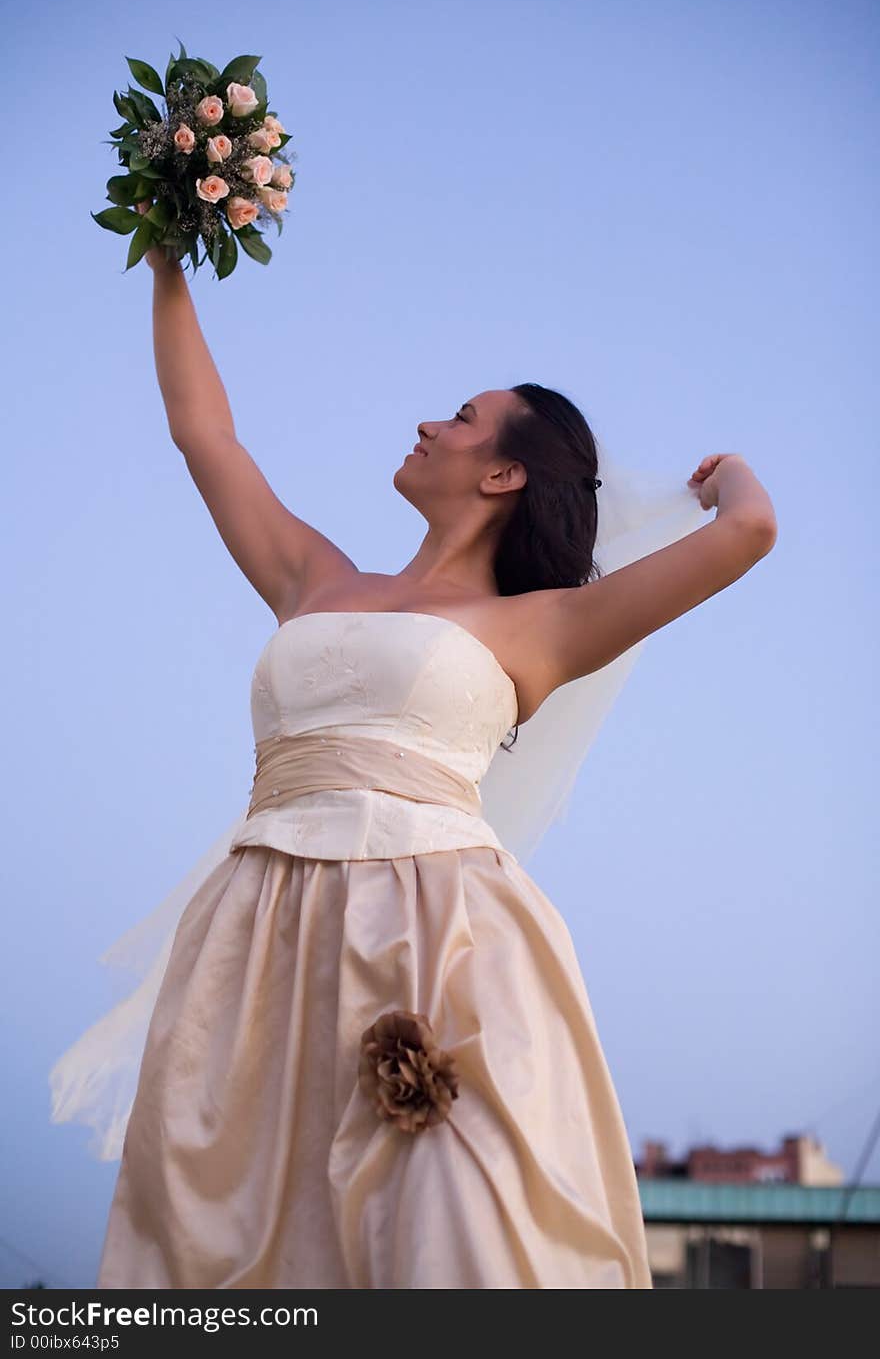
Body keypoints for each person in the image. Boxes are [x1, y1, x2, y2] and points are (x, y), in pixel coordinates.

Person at [49, 220, 777, 1289]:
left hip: (440, 938)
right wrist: (165, 262)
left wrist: (726, 476)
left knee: (449, 1235)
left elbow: (747, 532)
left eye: (463, 418)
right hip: (258, 931)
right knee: (244, 1230)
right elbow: (205, 436)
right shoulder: (314, 577)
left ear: (502, 477)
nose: (430, 424)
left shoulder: (544, 626)